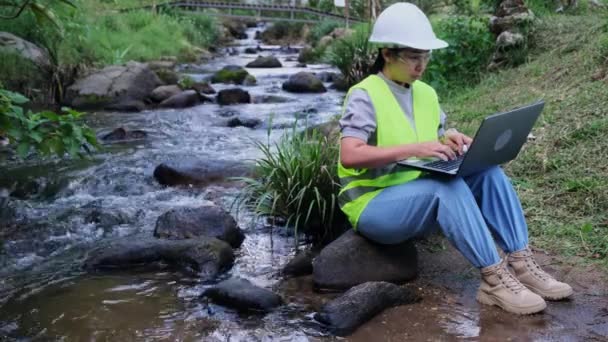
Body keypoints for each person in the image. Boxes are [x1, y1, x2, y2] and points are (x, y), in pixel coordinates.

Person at [337, 2, 573, 315]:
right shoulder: (364, 93)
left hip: (415, 196)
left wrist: (448, 138)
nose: (421, 66)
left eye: (426, 56)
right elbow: (350, 154)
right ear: (387, 53)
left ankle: (522, 264)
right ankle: (494, 280)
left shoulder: (426, 93)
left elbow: (426, 137)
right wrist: (417, 148)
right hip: (373, 206)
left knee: (488, 172)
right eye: (413, 57)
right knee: (445, 188)